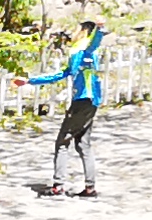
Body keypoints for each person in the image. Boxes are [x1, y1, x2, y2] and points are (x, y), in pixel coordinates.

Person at [28, 18, 107, 196]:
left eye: (78, 28)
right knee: (83, 144)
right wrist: (30, 81)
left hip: (82, 100)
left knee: (63, 142)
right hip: (91, 102)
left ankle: (58, 185)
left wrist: (100, 30)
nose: (74, 32)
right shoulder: (77, 54)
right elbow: (60, 74)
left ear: (85, 31)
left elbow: (94, 43)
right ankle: (90, 187)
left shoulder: (85, 50)